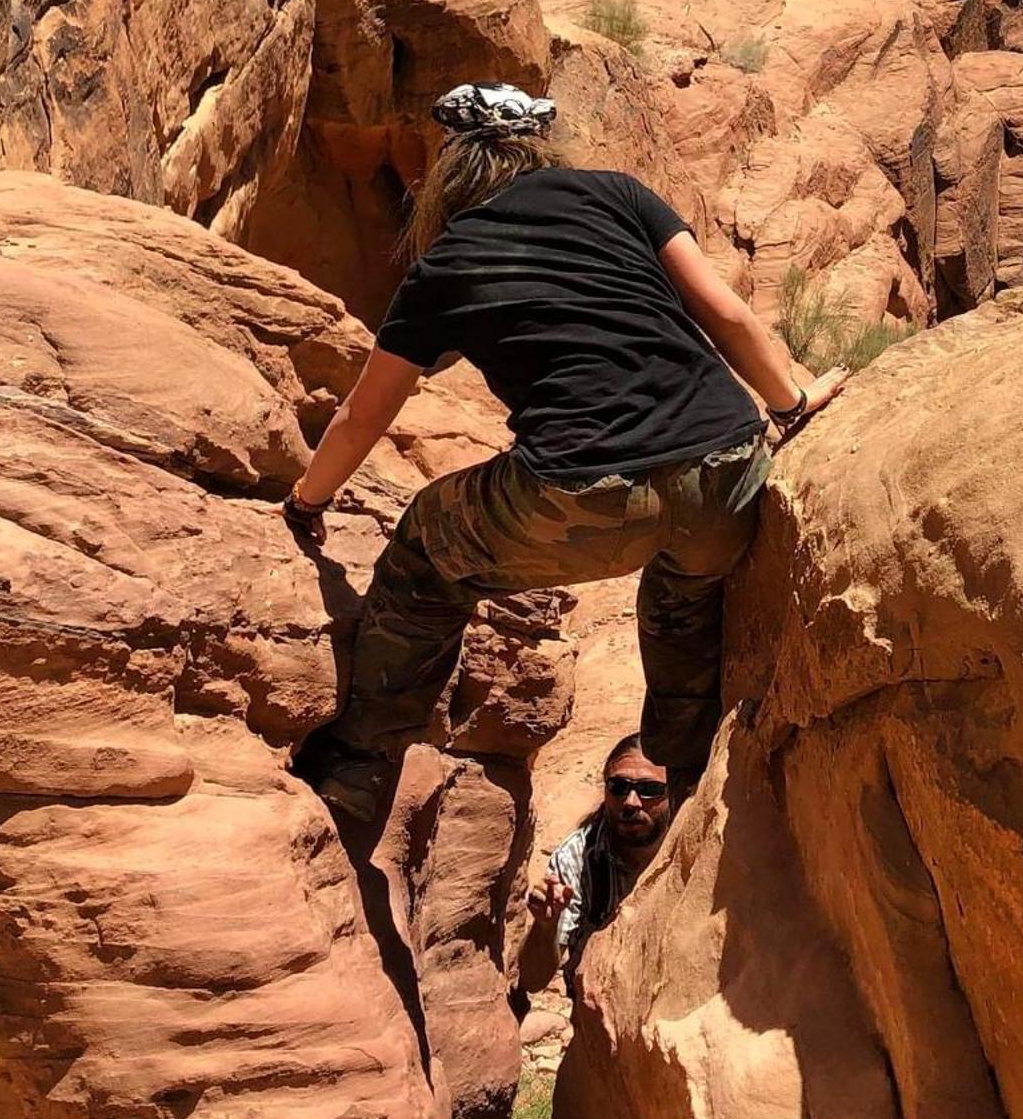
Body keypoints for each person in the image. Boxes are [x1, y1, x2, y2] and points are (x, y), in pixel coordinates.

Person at [284, 81, 847, 825]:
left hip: (584, 492)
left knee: (425, 549)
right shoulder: (619, 194)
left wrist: (307, 501)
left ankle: (360, 769)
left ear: (452, 166)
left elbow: (362, 417)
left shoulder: (446, 261)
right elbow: (726, 312)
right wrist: (790, 404)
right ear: (543, 148)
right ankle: (684, 776)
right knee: (683, 590)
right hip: (726, 465)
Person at [520, 735, 670, 994]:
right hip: (599, 1002)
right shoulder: (576, 857)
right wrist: (546, 926)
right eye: (618, 787)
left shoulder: (694, 843)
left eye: (650, 789)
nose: (631, 801)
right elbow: (533, 981)